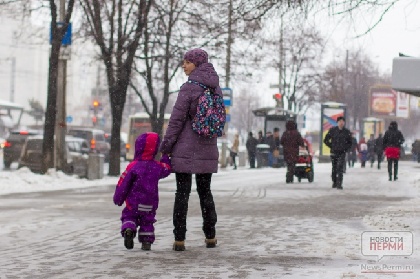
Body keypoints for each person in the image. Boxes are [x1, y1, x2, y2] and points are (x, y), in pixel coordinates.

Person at [160, 48, 222, 251]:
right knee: (205, 192)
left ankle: (179, 239)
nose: (184, 66)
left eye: (187, 62)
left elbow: (176, 121)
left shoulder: (188, 88)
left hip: (184, 150)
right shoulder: (215, 88)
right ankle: (210, 236)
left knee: (182, 194)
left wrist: (166, 147)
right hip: (207, 147)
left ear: (196, 64)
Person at [113, 132, 172, 250]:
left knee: (129, 216)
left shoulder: (133, 166)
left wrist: (118, 198)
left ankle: (129, 229)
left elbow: (123, 183)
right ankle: (146, 241)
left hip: (133, 202)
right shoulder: (157, 167)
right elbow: (167, 168)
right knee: (147, 221)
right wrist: (165, 156)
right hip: (150, 203)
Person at [323, 116, 352, 189]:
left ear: (344, 123)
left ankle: (339, 183)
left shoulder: (347, 132)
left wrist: (345, 148)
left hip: (342, 152)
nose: (341, 123)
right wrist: (331, 146)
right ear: (337, 122)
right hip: (334, 152)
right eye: (340, 121)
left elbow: (350, 143)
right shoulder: (332, 130)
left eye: (342, 121)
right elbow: (326, 140)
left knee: (340, 167)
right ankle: (334, 181)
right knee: (334, 168)